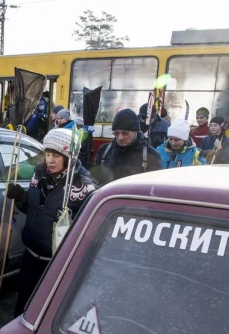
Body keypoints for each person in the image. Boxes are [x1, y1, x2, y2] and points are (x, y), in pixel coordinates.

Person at [8, 128, 97, 317]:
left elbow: (91, 229)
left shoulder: (84, 186)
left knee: (47, 313)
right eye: (48, 154)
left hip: (57, 263)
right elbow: (36, 211)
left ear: (69, 156)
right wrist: (21, 197)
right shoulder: (38, 175)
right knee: (23, 305)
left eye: (57, 155)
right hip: (31, 256)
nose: (50, 160)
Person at [91, 108, 161, 186]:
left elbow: (153, 186)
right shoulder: (104, 151)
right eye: (116, 133)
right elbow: (95, 181)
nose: (120, 137)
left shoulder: (150, 155)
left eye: (125, 133)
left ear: (136, 132)